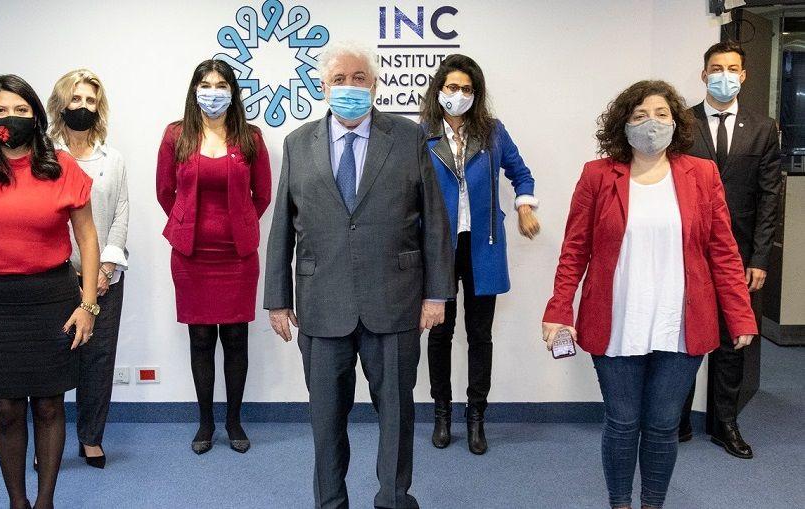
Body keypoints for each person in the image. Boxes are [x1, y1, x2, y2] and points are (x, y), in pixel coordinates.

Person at [542, 80, 757, 509]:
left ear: (676, 123)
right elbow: (575, 249)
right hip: (617, 320)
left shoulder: (702, 174)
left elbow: (723, 251)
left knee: (662, 425)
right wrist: (559, 308)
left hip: (680, 323)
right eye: (639, 115)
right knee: (622, 423)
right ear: (623, 125)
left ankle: (652, 504)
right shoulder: (598, 175)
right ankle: (620, 503)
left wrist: (740, 314)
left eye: (661, 114)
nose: (651, 124)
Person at [264, 41, 454, 509]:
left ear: (374, 85)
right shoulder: (297, 144)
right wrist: (277, 299)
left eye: (359, 78)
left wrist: (437, 295)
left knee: (396, 415)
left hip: (395, 300)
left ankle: (394, 499)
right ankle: (331, 502)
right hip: (321, 303)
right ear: (323, 87)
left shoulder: (408, 137)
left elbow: (434, 220)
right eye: (339, 80)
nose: (349, 87)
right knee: (326, 419)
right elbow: (282, 225)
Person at [0, 74, 99, 509]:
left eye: (21, 110)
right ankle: (18, 502)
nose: (11, 117)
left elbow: (87, 238)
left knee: (49, 405)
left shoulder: (62, 168)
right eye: (1, 111)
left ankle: (44, 502)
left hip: (53, 299)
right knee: (6, 408)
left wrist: (88, 305)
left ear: (36, 115)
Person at [419, 54, 541, 455]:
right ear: (439, 90)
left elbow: (521, 173)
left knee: (479, 335)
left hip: (482, 245)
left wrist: (524, 206)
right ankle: (441, 414)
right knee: (440, 334)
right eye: (452, 87)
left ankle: (476, 418)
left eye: (467, 89)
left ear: (477, 94)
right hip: (440, 248)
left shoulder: (492, 132)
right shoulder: (422, 134)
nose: (459, 94)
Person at [156, 59, 271, 455]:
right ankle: (205, 422)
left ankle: (234, 420)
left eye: (221, 85)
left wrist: (239, 224)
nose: (213, 92)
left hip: (238, 257)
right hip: (191, 257)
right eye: (205, 84)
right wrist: (187, 222)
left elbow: (263, 195)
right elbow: (164, 191)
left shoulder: (251, 138)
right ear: (194, 90)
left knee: (236, 337)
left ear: (233, 92)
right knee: (201, 338)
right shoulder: (176, 135)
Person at [678, 41, 782, 458]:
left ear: (744, 75)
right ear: (704, 75)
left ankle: (725, 423)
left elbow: (769, 196)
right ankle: (677, 419)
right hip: (687, 249)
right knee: (683, 336)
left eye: (732, 68)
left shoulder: (763, 128)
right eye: (717, 68)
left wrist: (760, 258)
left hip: (738, 253)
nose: (725, 75)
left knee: (732, 340)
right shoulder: (681, 124)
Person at [48, 69, 129, 469]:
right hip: (53, 276)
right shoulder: (43, 157)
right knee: (52, 362)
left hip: (103, 278)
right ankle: (47, 444)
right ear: (61, 103)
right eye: (75, 99)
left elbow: (121, 213)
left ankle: (91, 438)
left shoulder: (113, 160)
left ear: (99, 108)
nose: (82, 106)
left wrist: (106, 268)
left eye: (90, 101)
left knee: (97, 359)